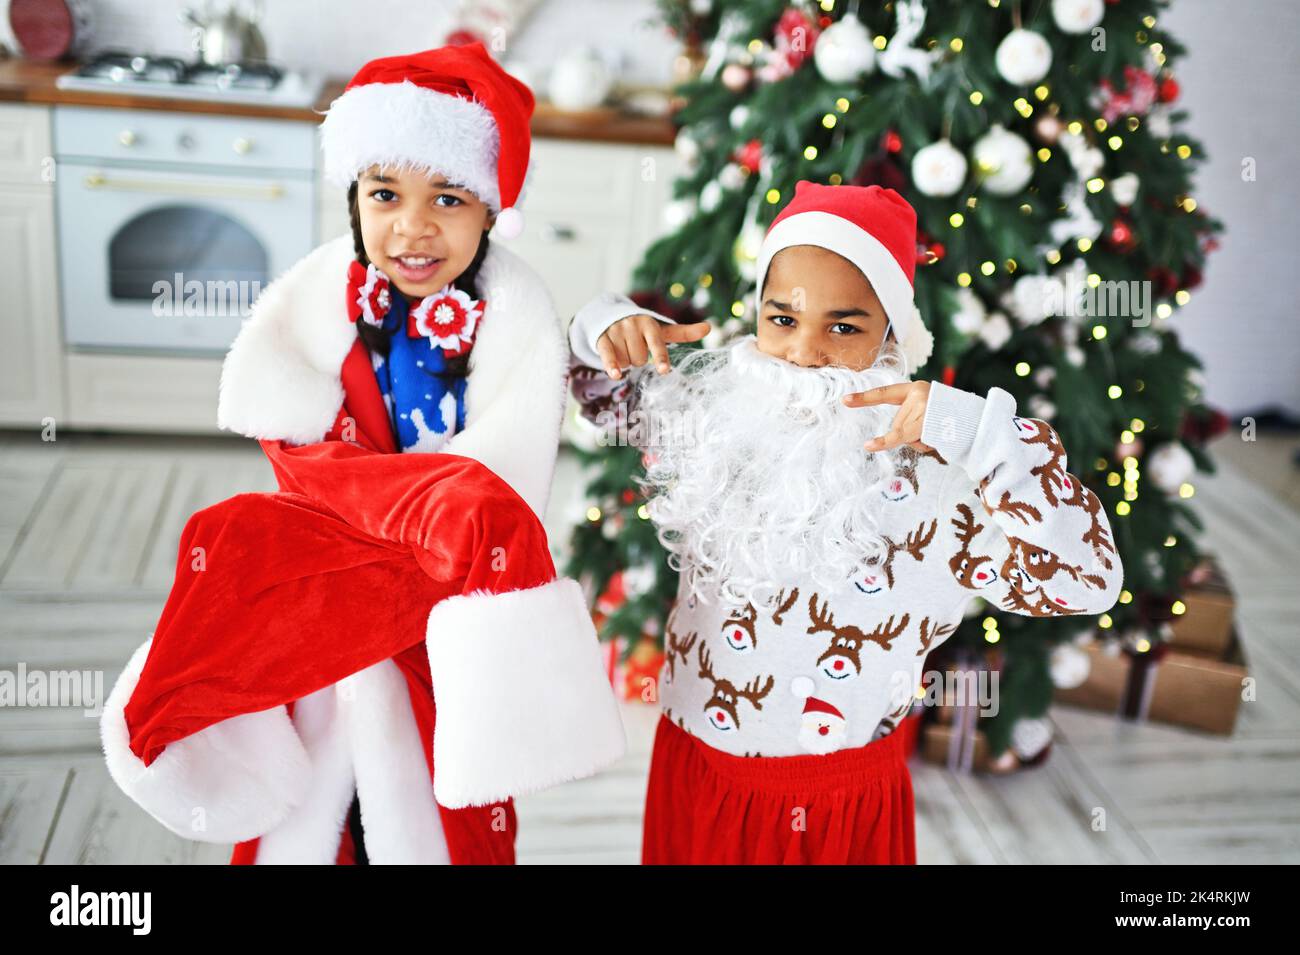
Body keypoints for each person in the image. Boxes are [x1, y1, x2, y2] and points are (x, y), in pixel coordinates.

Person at [99, 43, 626, 865]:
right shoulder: (319, 302)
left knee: (436, 807)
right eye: (385, 194)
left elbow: (495, 484)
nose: (412, 227)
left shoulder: (510, 322)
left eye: (447, 198)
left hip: (441, 616)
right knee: (315, 806)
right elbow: (300, 446)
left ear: (489, 211)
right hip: (324, 611)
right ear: (355, 198)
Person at [568, 180, 1123, 864]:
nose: (804, 351)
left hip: (837, 804)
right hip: (696, 772)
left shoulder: (941, 484)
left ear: (891, 335)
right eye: (782, 319)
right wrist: (602, 326)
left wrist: (985, 436)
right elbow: (592, 386)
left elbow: (1086, 579)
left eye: (843, 326)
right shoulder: (712, 419)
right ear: (757, 317)